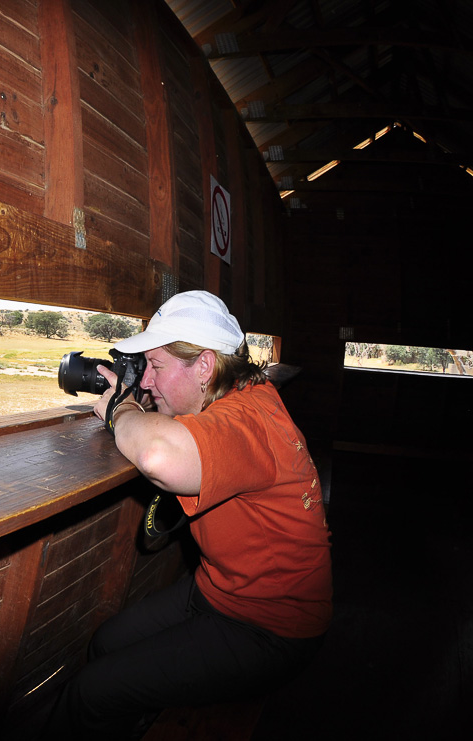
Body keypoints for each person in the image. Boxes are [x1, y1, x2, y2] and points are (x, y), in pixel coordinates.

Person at [51, 290, 331, 739]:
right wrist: (146, 405)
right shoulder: (242, 394)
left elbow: (161, 456)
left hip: (271, 627)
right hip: (221, 590)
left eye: (156, 368)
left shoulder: (247, 420)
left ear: (204, 366)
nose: (145, 383)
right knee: (105, 643)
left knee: (89, 693)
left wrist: (121, 409)